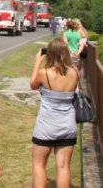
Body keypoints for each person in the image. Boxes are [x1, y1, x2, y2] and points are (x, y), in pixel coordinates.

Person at [30, 38, 78, 188]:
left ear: (49, 54)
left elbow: (33, 85)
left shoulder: (44, 73)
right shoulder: (74, 73)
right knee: (63, 166)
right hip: (67, 126)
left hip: (46, 126)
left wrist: (38, 61)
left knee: (39, 164)